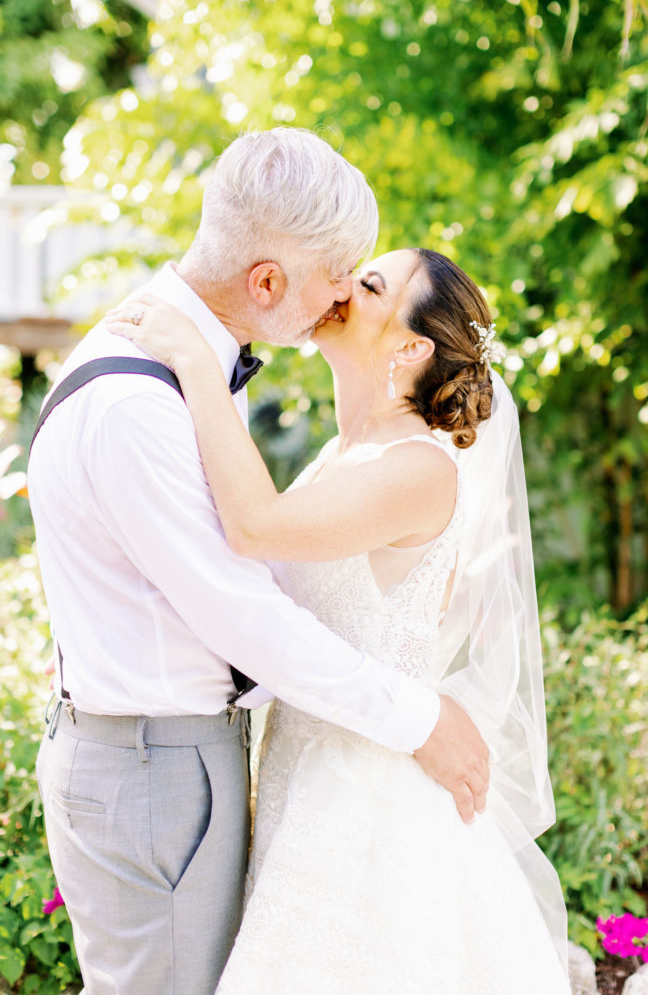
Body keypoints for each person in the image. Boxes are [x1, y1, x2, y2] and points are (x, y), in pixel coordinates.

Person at [28, 129, 490, 995]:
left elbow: (265, 561)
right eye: (342, 271)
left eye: (367, 279)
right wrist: (416, 718)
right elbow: (243, 608)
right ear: (269, 281)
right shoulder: (144, 402)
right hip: (156, 767)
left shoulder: (192, 375)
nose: (344, 294)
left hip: (258, 771)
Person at [107, 246, 572, 994]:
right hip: (303, 767)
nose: (342, 288)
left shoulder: (420, 470)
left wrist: (193, 359)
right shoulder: (340, 457)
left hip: (365, 802)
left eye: (370, 285)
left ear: (410, 346)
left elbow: (254, 528)